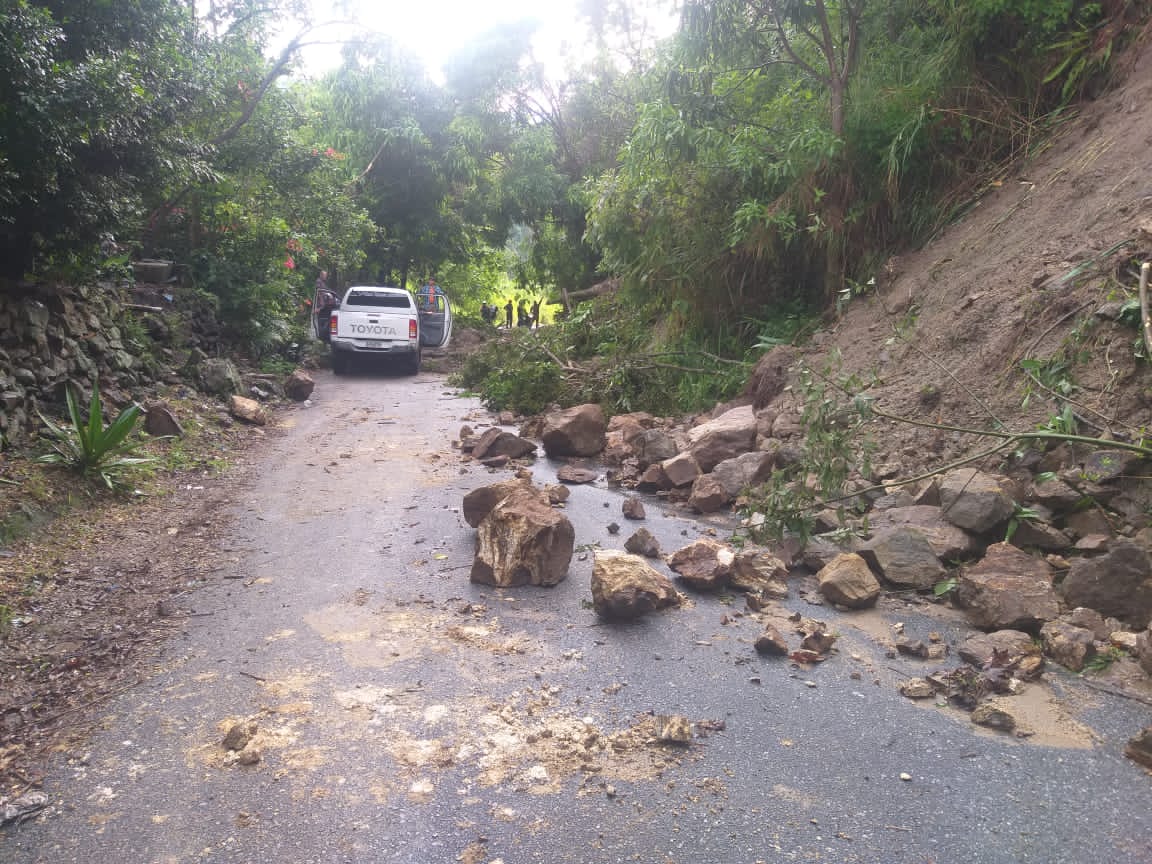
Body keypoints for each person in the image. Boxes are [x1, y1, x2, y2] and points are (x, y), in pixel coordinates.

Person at [313, 270, 338, 342]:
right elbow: (320, 292)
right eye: (324, 275)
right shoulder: (318, 282)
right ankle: (319, 336)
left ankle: (321, 336)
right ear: (321, 275)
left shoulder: (323, 283)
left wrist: (330, 295)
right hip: (320, 304)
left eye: (326, 275)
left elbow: (327, 290)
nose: (325, 277)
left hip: (323, 304)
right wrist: (322, 303)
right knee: (318, 320)